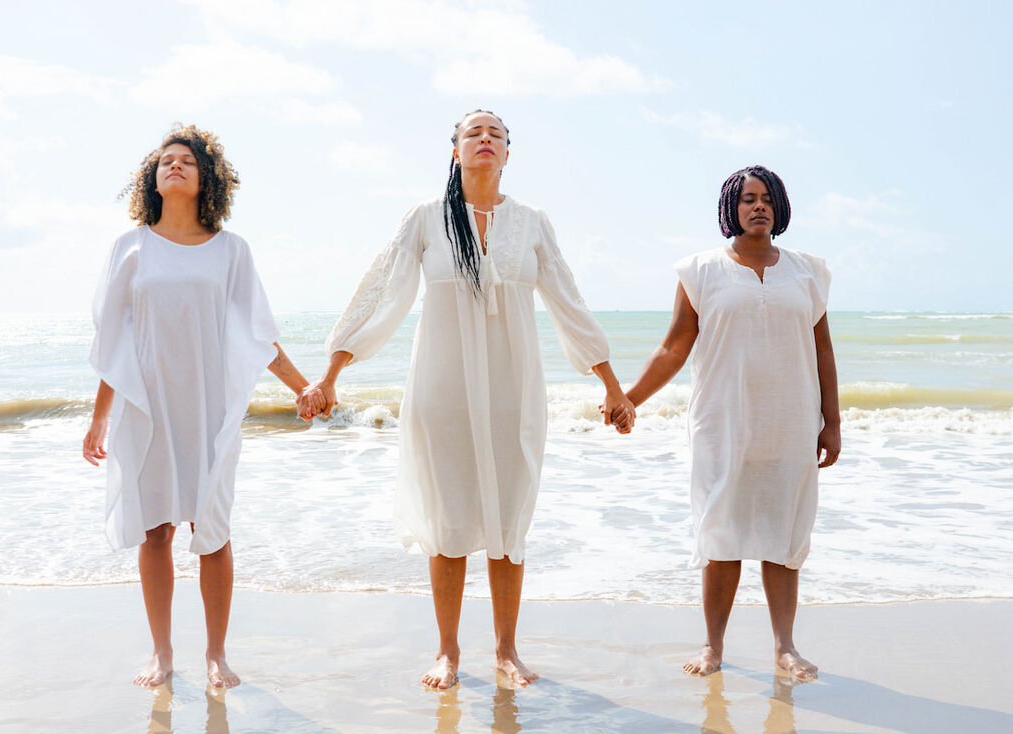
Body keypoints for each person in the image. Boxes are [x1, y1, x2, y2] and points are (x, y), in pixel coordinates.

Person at [304, 110, 634, 689]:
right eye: (473, 133)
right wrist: (331, 374)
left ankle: (506, 650)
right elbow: (382, 292)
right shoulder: (427, 219)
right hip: (443, 387)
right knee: (449, 520)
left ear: (509, 154)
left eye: (497, 135)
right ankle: (448, 651)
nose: (485, 140)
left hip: (514, 388)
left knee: (509, 520)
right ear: (454, 150)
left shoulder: (531, 222)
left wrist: (611, 384)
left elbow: (568, 301)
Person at [82, 124, 323, 688]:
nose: (174, 166)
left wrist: (303, 387)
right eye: (165, 160)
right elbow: (112, 343)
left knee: (211, 528)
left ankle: (216, 653)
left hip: (210, 409)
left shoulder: (231, 251)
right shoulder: (131, 248)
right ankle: (162, 653)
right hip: (148, 407)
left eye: (187, 160)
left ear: (206, 177)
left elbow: (259, 335)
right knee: (156, 530)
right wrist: (99, 417)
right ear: (153, 178)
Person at [613, 165, 839, 681]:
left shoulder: (808, 272)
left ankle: (785, 647)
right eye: (746, 200)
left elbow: (823, 350)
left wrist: (832, 422)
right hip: (722, 423)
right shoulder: (701, 270)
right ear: (730, 210)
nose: (757, 207)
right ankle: (713, 646)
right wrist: (629, 399)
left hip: (789, 422)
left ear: (779, 207)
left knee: (784, 536)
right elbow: (674, 346)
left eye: (766, 199)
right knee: (721, 534)